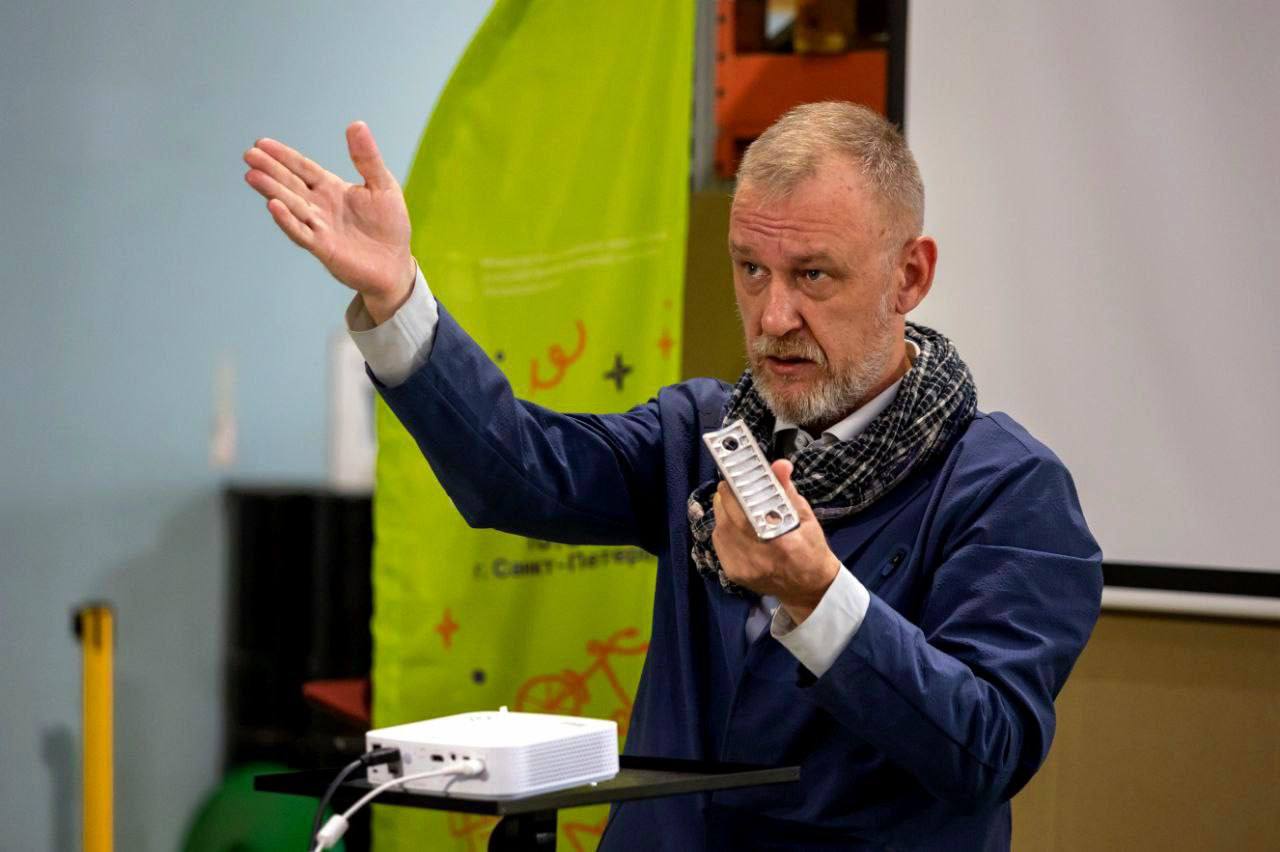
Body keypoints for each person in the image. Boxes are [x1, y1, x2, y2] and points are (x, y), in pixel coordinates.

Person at [244, 101, 1103, 850]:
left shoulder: (1004, 486)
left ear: (909, 276)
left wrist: (818, 596)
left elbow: (987, 750)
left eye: (813, 275)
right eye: (751, 269)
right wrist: (398, 299)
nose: (773, 316)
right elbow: (519, 469)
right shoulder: (704, 432)